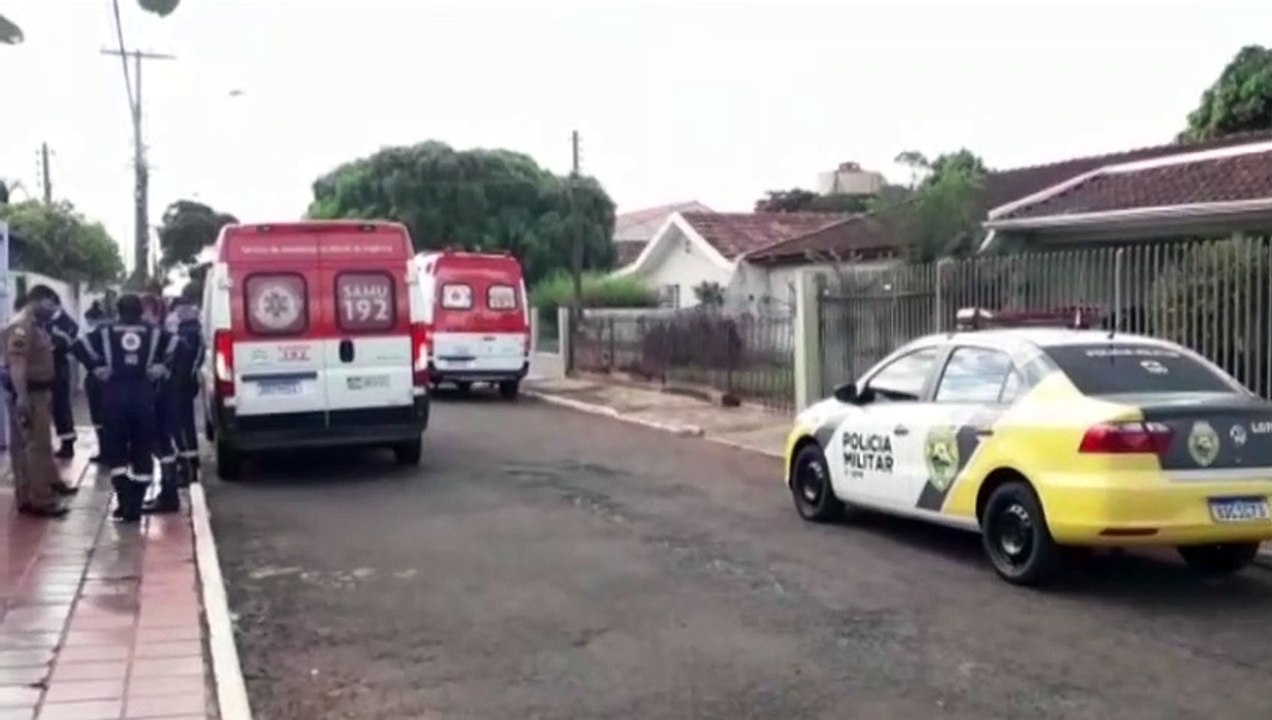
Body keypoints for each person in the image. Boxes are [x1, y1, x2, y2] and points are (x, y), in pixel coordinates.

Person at [71, 294, 175, 523]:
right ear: (140, 311)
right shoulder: (154, 332)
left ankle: (124, 497)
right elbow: (180, 347)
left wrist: (95, 367)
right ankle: (135, 504)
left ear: (117, 311)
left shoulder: (105, 332)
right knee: (142, 449)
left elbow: (77, 345)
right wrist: (162, 367)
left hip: (113, 396)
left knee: (116, 449)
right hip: (143, 396)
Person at [3, 286, 69, 517]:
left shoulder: (36, 325)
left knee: (32, 444)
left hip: (38, 393)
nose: (53, 310)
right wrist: (22, 397)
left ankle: (30, 495)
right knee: (34, 446)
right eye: (50, 304)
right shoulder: (22, 327)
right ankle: (38, 499)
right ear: (37, 301)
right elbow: (17, 364)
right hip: (30, 394)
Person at [166, 299, 204, 488]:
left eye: (176, 311)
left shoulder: (188, 332)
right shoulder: (192, 330)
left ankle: (188, 468)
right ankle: (190, 465)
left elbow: (184, 359)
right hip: (184, 383)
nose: (174, 315)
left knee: (181, 426)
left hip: (181, 384)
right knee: (184, 425)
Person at [42, 289, 79, 460]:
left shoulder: (67, 323)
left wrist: (50, 343)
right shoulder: (43, 321)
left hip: (59, 368)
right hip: (43, 368)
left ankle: (67, 443)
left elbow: (63, 343)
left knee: (60, 405)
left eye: (47, 303)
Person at [82, 301, 107, 463]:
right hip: (114, 381)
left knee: (99, 418)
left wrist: (93, 366)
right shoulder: (113, 331)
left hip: (97, 380)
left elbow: (77, 346)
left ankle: (105, 452)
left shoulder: (94, 334)